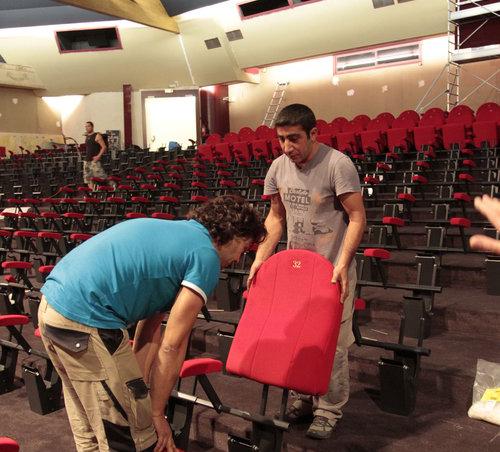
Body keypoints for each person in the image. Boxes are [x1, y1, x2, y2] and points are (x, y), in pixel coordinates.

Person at [38, 195, 266, 452]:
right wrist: (155, 414)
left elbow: (150, 328)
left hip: (51, 306)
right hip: (85, 317)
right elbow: (172, 346)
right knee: (131, 435)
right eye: (244, 249)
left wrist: (137, 391)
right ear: (233, 235)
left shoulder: (176, 234)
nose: (238, 260)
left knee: (93, 430)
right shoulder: (206, 255)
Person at [248, 104, 366, 439]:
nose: (287, 147)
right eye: (282, 139)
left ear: (314, 133)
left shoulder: (338, 165)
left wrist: (343, 264)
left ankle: (328, 409)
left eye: (294, 138)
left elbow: (357, 217)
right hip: (296, 271)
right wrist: (261, 257)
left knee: (334, 344)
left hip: (332, 269)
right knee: (296, 337)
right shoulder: (277, 167)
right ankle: (302, 397)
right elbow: (276, 217)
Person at [84, 121, 109, 189]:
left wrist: (98, 156)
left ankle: (111, 188)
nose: (86, 128)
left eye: (88, 126)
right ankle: (92, 194)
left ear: (92, 127)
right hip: (87, 161)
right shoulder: (87, 136)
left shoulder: (97, 135)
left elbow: (104, 147)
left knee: (101, 178)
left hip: (94, 161)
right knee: (88, 179)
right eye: (85, 126)